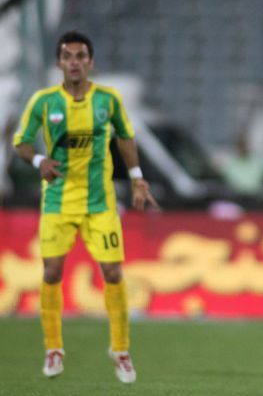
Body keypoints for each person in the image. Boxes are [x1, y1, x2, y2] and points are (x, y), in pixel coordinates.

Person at [13, 31, 157, 384]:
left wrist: (137, 178)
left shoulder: (107, 99)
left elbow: (125, 137)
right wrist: (39, 161)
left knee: (113, 273)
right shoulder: (44, 102)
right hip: (58, 201)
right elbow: (21, 142)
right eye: (68, 56)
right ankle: (53, 348)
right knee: (51, 273)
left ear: (90, 62)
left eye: (80, 56)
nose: (74, 62)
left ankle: (120, 351)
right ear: (59, 63)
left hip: (99, 202)